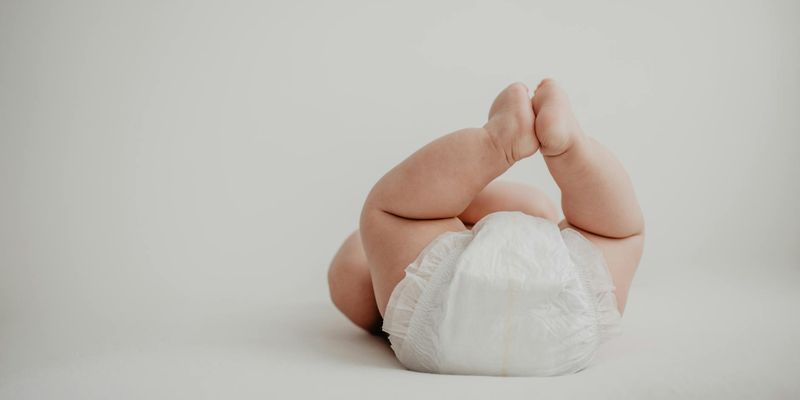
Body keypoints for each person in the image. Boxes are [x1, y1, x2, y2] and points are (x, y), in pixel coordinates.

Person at [328, 79, 645, 376]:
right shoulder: (531, 218)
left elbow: (362, 265)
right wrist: (448, 205)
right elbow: (530, 206)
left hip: (439, 326)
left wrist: (436, 215)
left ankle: (503, 143)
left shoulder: (409, 265)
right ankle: (556, 146)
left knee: (387, 219)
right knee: (616, 234)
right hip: (571, 320)